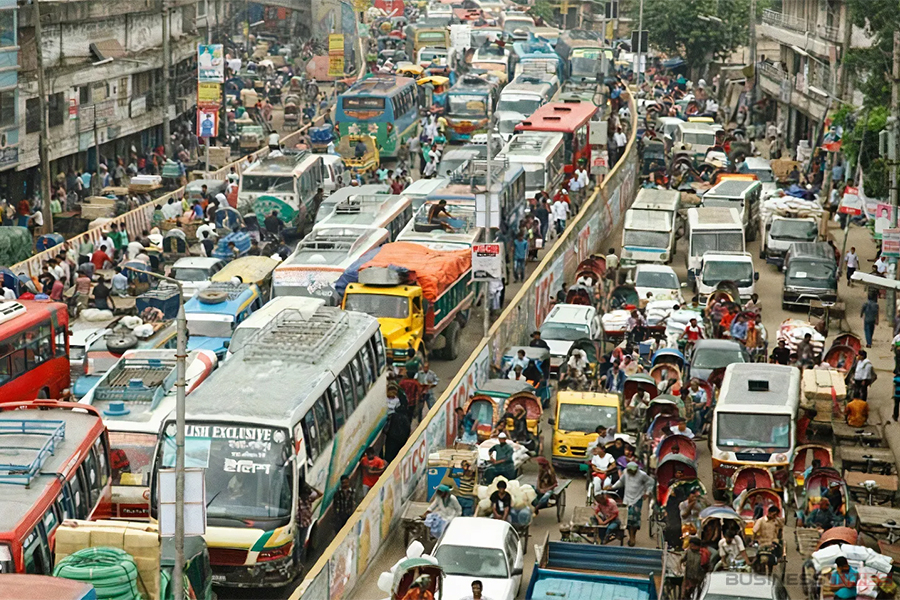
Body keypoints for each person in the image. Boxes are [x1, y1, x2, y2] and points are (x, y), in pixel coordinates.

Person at [610, 462, 654, 547]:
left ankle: (633, 536)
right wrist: (612, 487)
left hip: (637, 499)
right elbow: (621, 482)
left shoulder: (642, 475)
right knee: (627, 518)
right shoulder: (626, 473)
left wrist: (647, 493)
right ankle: (631, 536)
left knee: (635, 519)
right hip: (627, 499)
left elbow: (651, 483)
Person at [752, 504, 784, 574]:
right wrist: (753, 540)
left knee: (774, 558)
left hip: (773, 543)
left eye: (776, 515)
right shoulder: (761, 521)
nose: (775, 517)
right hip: (762, 543)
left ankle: (770, 571)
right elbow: (754, 531)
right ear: (769, 513)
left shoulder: (776, 521)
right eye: (774, 515)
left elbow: (781, 528)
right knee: (757, 558)